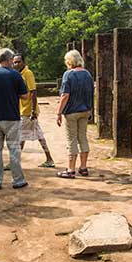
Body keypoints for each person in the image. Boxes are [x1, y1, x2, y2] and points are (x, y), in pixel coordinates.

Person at [0, 48, 30, 190]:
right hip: (12, 118)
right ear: (8, 60)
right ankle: (18, 180)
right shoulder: (15, 75)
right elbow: (25, 96)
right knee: (14, 149)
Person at [56, 50, 94, 178]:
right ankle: (83, 167)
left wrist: (59, 112)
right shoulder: (87, 74)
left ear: (69, 61)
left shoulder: (68, 75)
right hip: (85, 110)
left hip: (72, 111)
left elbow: (65, 95)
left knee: (71, 139)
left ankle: (70, 169)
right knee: (82, 137)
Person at [13, 54, 55, 168]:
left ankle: (15, 162)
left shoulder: (28, 73)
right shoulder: (18, 74)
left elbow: (33, 92)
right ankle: (49, 159)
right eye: (14, 62)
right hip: (23, 110)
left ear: (24, 62)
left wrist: (33, 110)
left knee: (19, 136)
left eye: (18, 62)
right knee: (39, 136)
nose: (16, 64)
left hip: (28, 111)